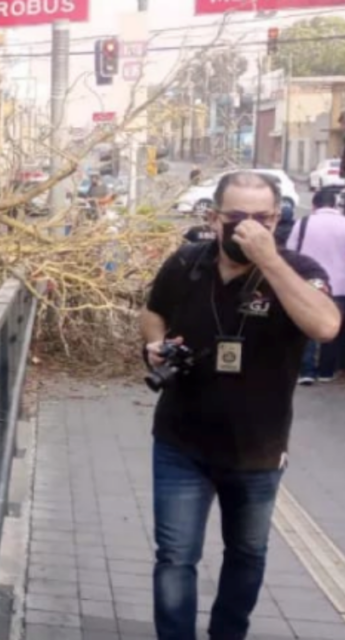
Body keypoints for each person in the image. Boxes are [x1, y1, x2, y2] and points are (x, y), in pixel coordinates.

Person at [140, 171, 341, 640]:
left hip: (257, 450)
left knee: (247, 555)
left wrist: (269, 261)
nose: (249, 227)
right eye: (237, 217)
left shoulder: (299, 269)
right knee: (174, 557)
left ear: (277, 220)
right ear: (214, 218)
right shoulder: (188, 262)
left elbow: (326, 326)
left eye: (263, 217)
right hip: (180, 442)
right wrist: (156, 344)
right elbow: (153, 312)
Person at [288, 187, 345, 384]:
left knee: (308, 326)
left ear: (314, 204)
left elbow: (290, 252)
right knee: (334, 326)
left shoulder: (303, 223)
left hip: (309, 283)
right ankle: (327, 371)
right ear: (335, 204)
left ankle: (306, 371)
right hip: (340, 285)